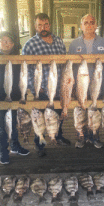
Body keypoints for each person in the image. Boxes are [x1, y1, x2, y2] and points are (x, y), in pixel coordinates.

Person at [22, 13, 71, 157]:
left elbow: (63, 64)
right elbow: (27, 70)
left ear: (50, 25)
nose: (43, 28)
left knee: (60, 113)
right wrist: (34, 87)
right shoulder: (30, 45)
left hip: (59, 87)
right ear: (35, 26)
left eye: (46, 25)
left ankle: (58, 135)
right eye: (39, 25)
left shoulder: (58, 41)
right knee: (40, 117)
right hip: (42, 88)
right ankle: (39, 144)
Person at [0, 31, 29, 165]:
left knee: (13, 122)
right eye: (3, 41)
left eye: (9, 41)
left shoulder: (17, 58)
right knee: (1, 125)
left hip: (13, 96)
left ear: (13, 44)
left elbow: (22, 78)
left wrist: (22, 95)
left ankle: (15, 146)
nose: (6, 43)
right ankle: (3, 151)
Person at [68, 14, 104, 149]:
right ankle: (81, 137)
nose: (89, 25)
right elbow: (71, 66)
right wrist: (72, 85)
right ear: (81, 26)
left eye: (92, 22)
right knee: (79, 112)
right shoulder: (74, 44)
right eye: (85, 22)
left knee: (95, 111)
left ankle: (95, 136)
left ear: (96, 25)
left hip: (97, 84)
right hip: (80, 84)